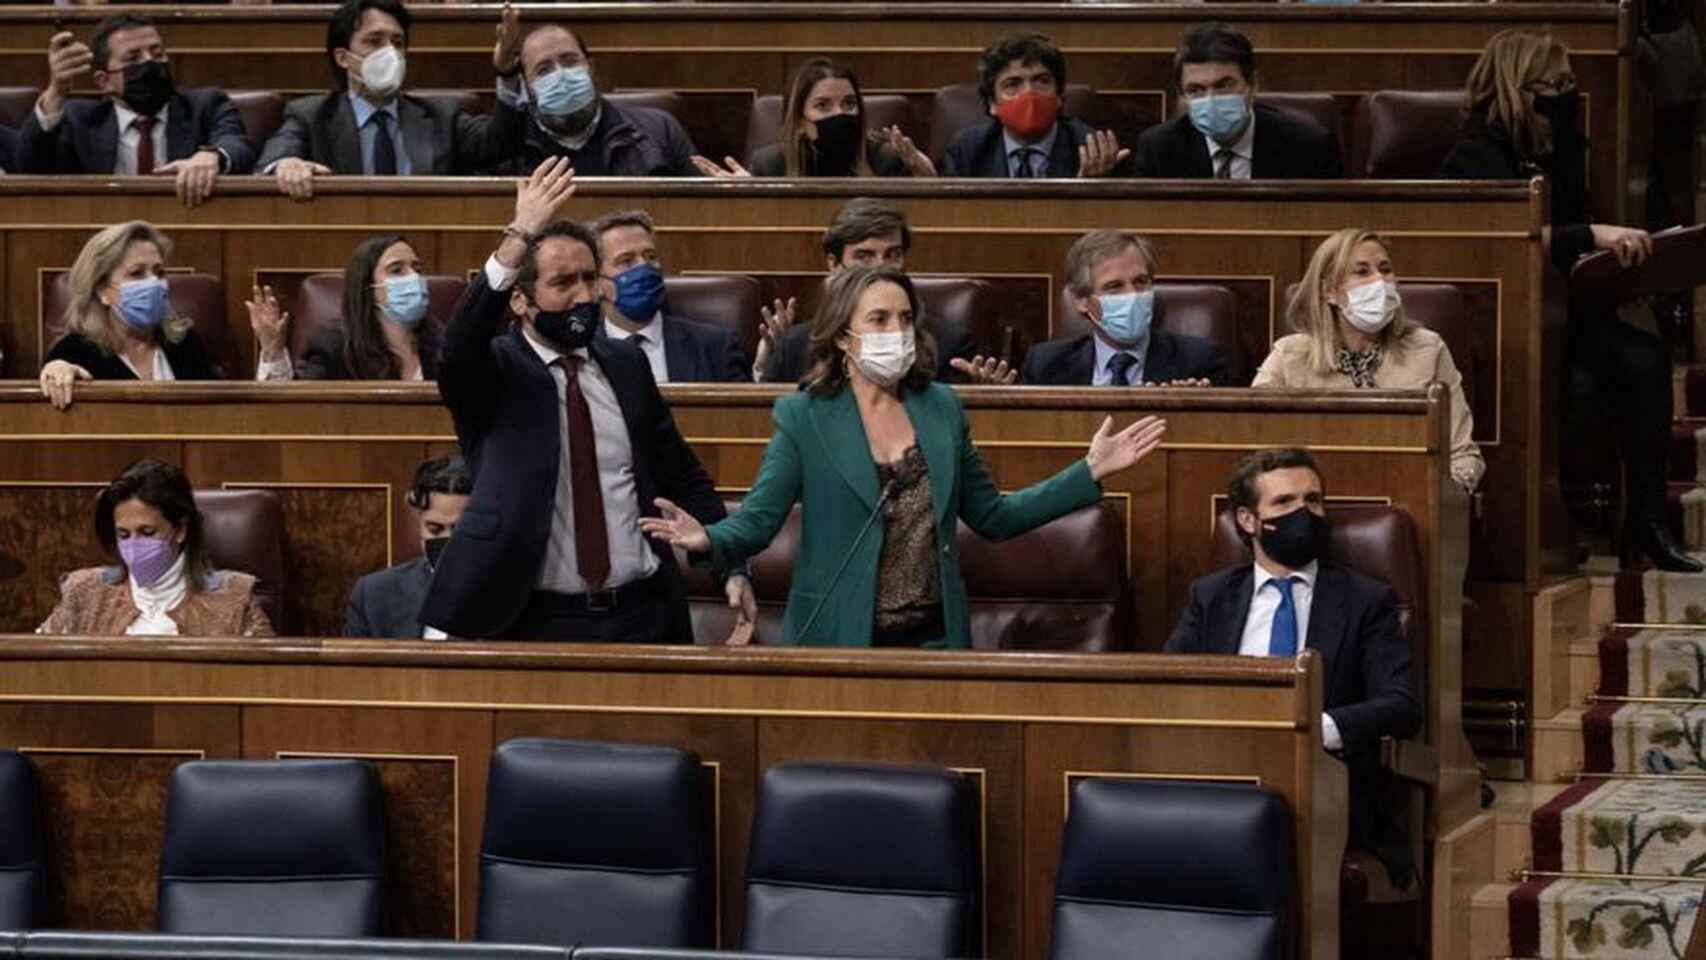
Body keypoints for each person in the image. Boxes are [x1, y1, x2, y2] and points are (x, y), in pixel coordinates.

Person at [641, 265, 1166, 647]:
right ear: (843, 337)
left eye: (905, 319)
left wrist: (1089, 470)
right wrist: (708, 539)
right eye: (878, 319)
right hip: (837, 638)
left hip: (934, 640)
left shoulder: (941, 408)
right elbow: (759, 521)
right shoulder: (804, 416)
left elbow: (994, 517)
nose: (896, 332)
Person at [421, 158, 753, 642]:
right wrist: (518, 236)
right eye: (562, 283)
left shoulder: (626, 363)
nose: (583, 297)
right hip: (532, 622)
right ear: (520, 300)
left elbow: (680, 473)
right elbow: (458, 347)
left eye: (590, 278)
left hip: (643, 613)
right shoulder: (493, 372)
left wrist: (730, 564)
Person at [1437, 30, 1690, 570]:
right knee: (1577, 386)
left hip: (1569, 308)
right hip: (1510, 321)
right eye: (1556, 85)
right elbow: (1502, 238)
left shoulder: (1562, 142)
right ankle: (1555, 523)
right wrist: (1592, 234)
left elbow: (1569, 226)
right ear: (1518, 87)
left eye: (1570, 83)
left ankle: (1647, 522)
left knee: (1645, 360)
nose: (1568, 95)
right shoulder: (1475, 151)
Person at [1167, 448, 1421, 884]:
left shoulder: (1365, 600)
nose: (1305, 513)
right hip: (1224, 774)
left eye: (1313, 500)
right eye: (1284, 502)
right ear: (1248, 521)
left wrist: (1312, 729)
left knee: (1251, 835)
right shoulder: (1211, 597)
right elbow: (1168, 688)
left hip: (1322, 785)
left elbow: (1402, 704)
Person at [1254, 229, 1484, 493]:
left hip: (1408, 499)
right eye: (1362, 272)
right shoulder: (1288, 355)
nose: (1380, 281)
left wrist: (1441, 496)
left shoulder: (1428, 350)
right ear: (1330, 291)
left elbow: (1463, 455)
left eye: (1385, 270)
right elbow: (1254, 449)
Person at [256, 0, 527, 200]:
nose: (390, 53)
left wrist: (507, 72)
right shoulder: (310, 115)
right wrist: (287, 164)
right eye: (374, 41)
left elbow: (501, 143)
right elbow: (276, 155)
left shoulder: (442, 115)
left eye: (397, 43)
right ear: (343, 58)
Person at [15, 13, 254, 207]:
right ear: (104, 81)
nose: (149, 62)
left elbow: (237, 145)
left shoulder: (205, 104)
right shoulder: (80, 119)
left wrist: (212, 156)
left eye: (157, 54)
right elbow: (29, 166)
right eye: (133, 58)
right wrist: (56, 92)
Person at [37, 458, 274, 638]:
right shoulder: (84, 593)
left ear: (180, 530)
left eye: (147, 532)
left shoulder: (235, 600)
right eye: (123, 534)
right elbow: (38, 668)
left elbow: (267, 677)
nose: (133, 545)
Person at [962, 230, 1228, 386]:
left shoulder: (1198, 360)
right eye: (1114, 287)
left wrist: (1187, 409)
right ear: (1081, 301)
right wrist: (999, 401)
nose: (1132, 295)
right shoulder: (1046, 365)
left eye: (1141, 282)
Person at [758, 198, 977, 383]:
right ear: (833, 264)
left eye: (892, 255)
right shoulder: (794, 346)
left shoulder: (949, 344)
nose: (881, 268)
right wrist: (762, 366)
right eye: (864, 257)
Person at [38, 221, 218, 411]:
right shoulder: (74, 353)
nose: (153, 282)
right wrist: (57, 372)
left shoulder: (185, 343)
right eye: (137, 273)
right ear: (103, 290)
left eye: (159, 272)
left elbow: (218, 409)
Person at [1133, 23, 1343, 179]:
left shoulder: (1310, 147)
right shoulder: (1158, 149)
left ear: (1253, 85)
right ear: (1182, 95)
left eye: (1224, 86)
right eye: (1196, 90)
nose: (1210, 100)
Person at [490, 24, 696, 176]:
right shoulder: (506, 146)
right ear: (526, 86)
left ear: (591, 67)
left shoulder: (660, 129)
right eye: (543, 70)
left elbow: (699, 205)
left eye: (570, 61)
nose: (561, 76)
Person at [692, 58, 933, 178]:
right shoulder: (771, 165)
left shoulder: (885, 159)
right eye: (823, 105)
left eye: (849, 104)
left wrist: (925, 178)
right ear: (799, 120)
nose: (839, 113)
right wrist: (750, 198)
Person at [248, 233, 442, 380]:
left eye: (417, 269)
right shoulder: (334, 348)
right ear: (367, 287)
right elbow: (295, 410)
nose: (413, 278)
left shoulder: (443, 340)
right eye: (397, 270)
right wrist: (273, 352)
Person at [941, 33, 1130, 179]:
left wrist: (1088, 189)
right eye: (1012, 84)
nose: (1029, 94)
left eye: (1041, 81)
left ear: (1059, 96)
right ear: (992, 103)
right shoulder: (967, 150)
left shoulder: (1092, 151)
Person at [591, 209, 748, 383]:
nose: (644, 267)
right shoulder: (581, 353)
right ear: (596, 283)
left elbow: (744, 400)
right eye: (626, 261)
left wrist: (764, 370)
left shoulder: (716, 346)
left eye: (651, 257)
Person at [345, 455, 470, 638]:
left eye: (460, 530)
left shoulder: (513, 597)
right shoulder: (374, 596)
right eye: (434, 529)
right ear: (418, 521)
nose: (447, 541)